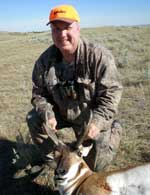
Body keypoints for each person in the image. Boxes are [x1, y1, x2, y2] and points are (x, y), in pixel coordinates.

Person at [26, 4, 123, 172]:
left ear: (78, 28)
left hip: (90, 118)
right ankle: (56, 159)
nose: (62, 34)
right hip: (61, 113)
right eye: (56, 29)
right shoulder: (44, 61)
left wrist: (97, 123)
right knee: (34, 118)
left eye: (68, 27)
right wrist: (48, 115)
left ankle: (116, 130)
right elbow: (38, 94)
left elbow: (111, 93)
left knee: (96, 167)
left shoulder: (98, 56)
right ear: (51, 32)